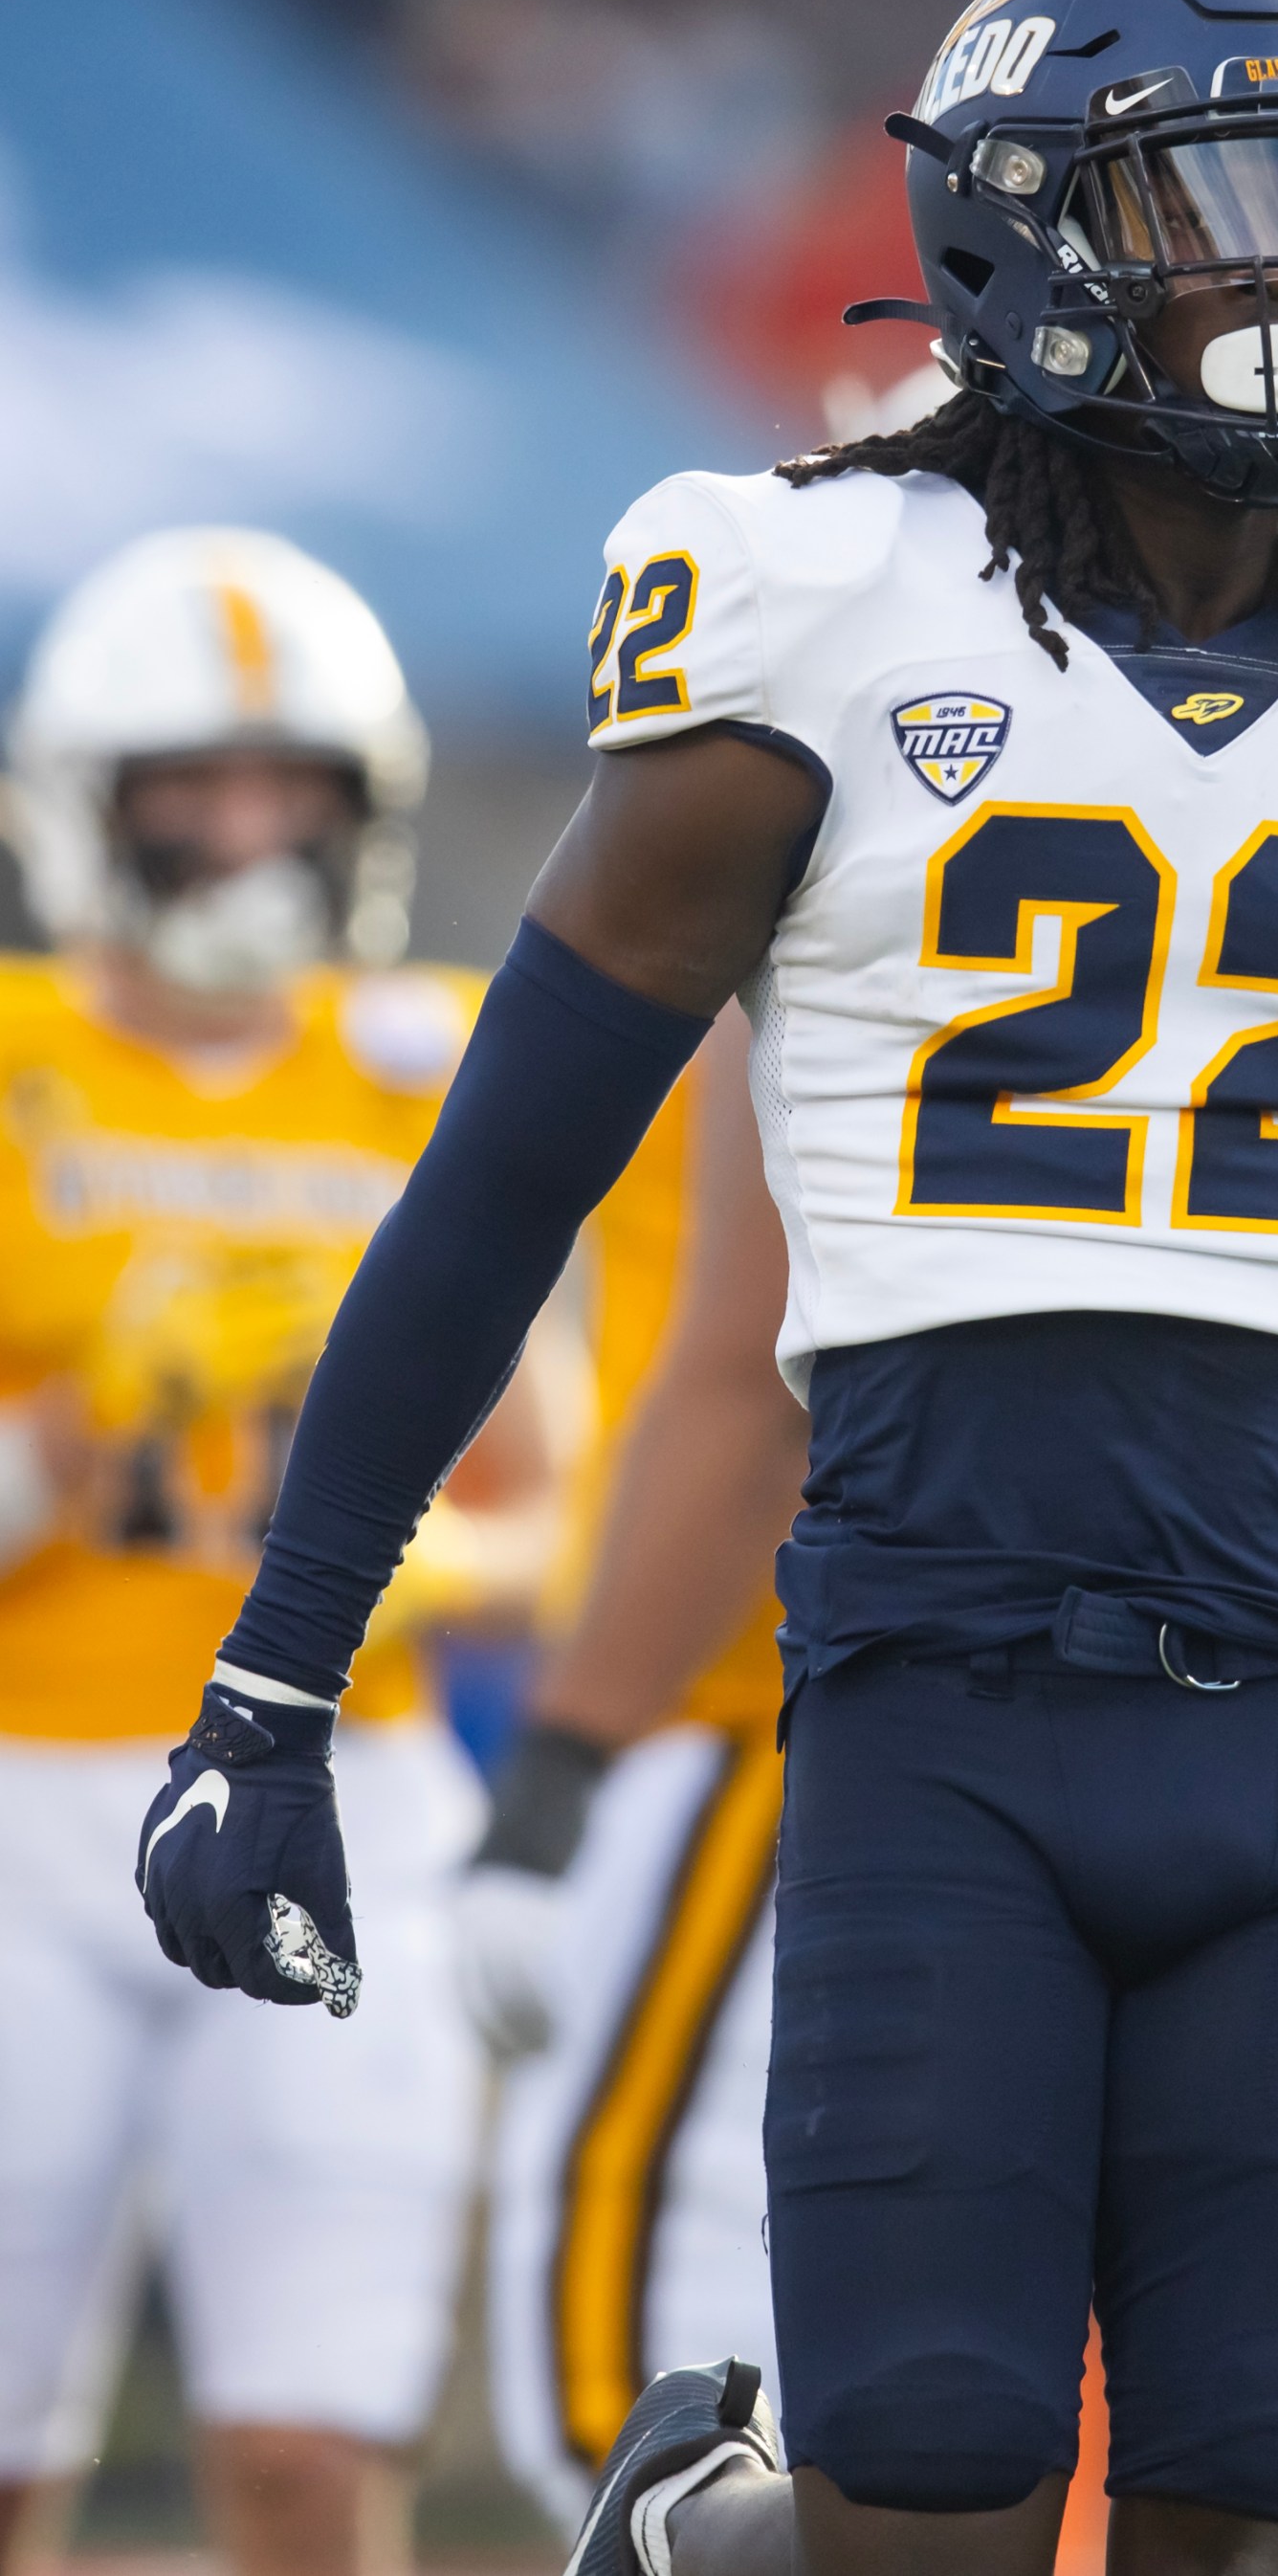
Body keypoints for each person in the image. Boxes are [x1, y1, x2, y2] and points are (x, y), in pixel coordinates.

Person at [135, 0, 1278, 2576]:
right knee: (926, 2510)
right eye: (1225, 195)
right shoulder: (819, 603)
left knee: (1273, 2522)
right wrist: (275, 1676)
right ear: (1031, 233)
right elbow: (498, 1179)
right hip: (945, 1700)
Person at [0, 529, 545, 2576]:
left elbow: (544, 1498)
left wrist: (403, 1585)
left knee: (315, 2459)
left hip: (341, 1789)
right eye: (194, 793)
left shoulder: (430, 1063)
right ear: (89, 808)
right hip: (23, 1787)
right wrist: (68, 1444)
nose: (246, 839)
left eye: (290, 793)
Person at [461, 1010, 807, 2532]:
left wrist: (560, 1762)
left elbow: (755, 1387)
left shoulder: (811, 883)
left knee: (635, 2398)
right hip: (1165, 1681)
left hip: (756, 1707)